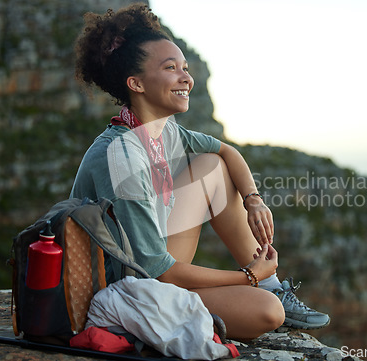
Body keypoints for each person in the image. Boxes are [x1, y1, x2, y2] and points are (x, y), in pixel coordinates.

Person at [71, 3, 330, 341]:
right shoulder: (122, 155)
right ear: (135, 83)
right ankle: (258, 290)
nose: (186, 78)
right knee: (267, 312)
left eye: (185, 68)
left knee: (212, 166)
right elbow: (157, 271)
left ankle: (270, 285)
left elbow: (226, 151)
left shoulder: (165, 131)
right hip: (124, 291)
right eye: (170, 68)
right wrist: (247, 278)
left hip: (148, 272)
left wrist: (253, 200)